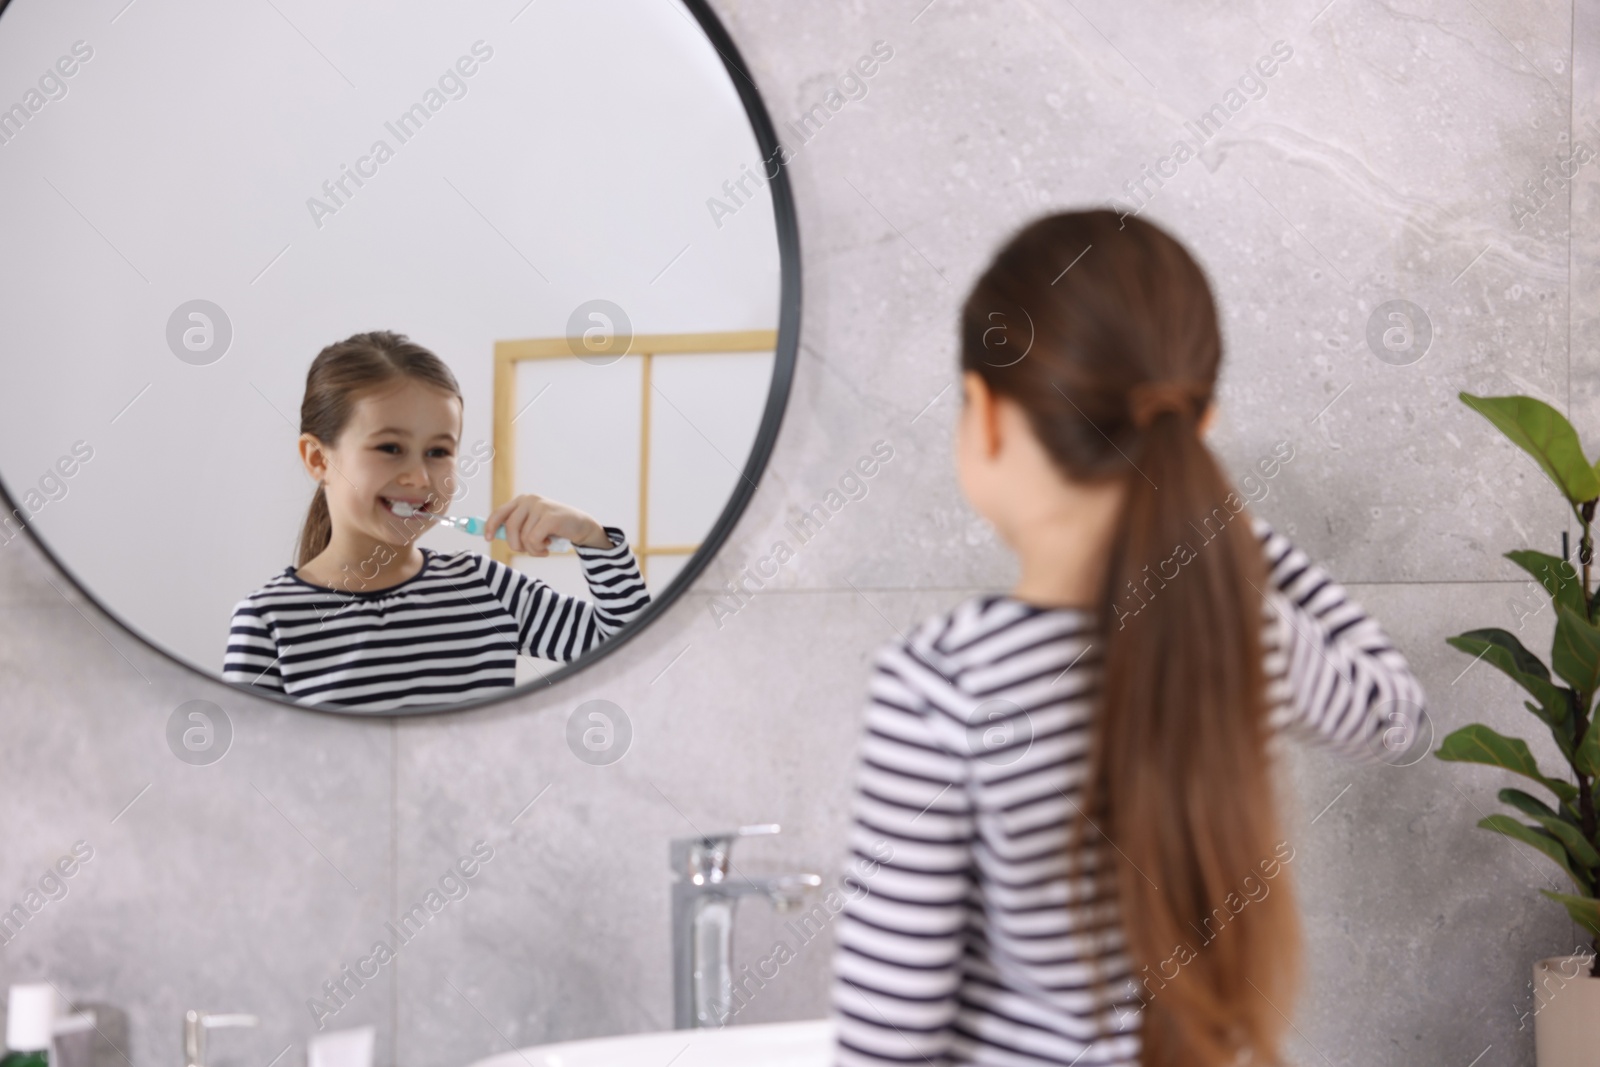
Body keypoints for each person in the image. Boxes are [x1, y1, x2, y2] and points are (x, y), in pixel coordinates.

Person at [827, 211, 1427, 1066]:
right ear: (1198, 421)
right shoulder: (1245, 638)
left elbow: (890, 1041)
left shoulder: (943, 685)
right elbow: (1398, 715)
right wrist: (1227, 540)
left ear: (984, 415)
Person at [222, 330, 650, 711]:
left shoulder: (485, 589)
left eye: (439, 452)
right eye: (390, 448)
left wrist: (592, 539)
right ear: (318, 459)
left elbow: (634, 650)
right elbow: (251, 777)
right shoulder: (268, 621)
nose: (419, 478)